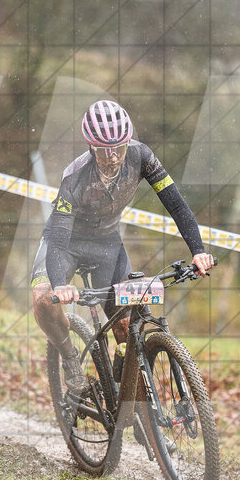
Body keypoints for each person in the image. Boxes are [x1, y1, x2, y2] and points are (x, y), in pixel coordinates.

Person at [31, 99, 214, 393]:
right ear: (91, 147)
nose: (113, 156)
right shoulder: (75, 176)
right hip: (65, 244)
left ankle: (138, 410)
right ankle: (67, 356)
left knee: (127, 329)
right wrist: (58, 284)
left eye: (119, 147)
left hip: (106, 244)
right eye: (104, 150)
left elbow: (176, 205)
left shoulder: (141, 157)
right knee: (42, 297)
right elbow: (59, 234)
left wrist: (198, 250)